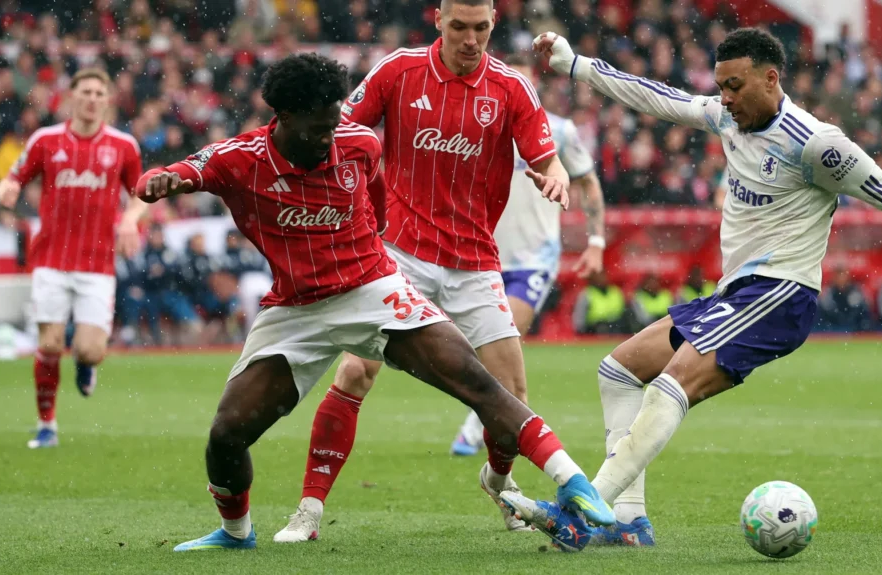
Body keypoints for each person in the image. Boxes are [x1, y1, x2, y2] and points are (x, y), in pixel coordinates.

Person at [499, 29, 882, 552]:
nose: (724, 98)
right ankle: (627, 519)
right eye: (721, 86)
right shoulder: (727, 117)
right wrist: (577, 65)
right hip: (734, 294)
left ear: (771, 79)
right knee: (618, 370)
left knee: (671, 384)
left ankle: (582, 513)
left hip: (780, 293)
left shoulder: (816, 142)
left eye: (735, 86)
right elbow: (658, 96)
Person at [134, 53, 612, 552]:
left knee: (475, 380)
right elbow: (175, 173)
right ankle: (236, 533)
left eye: (334, 123)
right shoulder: (240, 158)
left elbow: (379, 206)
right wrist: (159, 183)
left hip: (372, 289)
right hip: (295, 310)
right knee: (227, 434)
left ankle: (575, 483)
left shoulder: (358, 143)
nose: (328, 138)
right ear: (284, 117)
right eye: (318, 129)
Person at [274, 0, 580, 542]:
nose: (470, 39)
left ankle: (500, 482)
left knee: (510, 395)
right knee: (355, 372)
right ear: (438, 19)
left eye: (481, 28)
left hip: (475, 260)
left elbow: (545, 154)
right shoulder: (398, 70)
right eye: (459, 27)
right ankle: (309, 510)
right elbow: (340, 131)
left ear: (492, 25)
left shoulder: (511, 89)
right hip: (398, 254)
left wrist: (553, 173)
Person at [449, 52, 606, 457]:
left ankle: (474, 426)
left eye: (524, 83)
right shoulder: (477, 128)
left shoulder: (560, 131)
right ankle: (485, 415)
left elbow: (587, 185)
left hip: (534, 257)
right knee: (466, 347)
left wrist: (596, 241)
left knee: (506, 338)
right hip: (480, 253)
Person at [0, 68, 146, 449]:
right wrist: (9, 188)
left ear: (108, 100)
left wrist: (129, 220)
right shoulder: (46, 141)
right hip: (51, 260)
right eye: (86, 91)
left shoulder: (124, 145)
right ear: (72, 96)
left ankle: (84, 363)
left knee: (90, 349)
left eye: (100, 92)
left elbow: (140, 193)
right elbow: (15, 175)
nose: (93, 98)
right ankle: (47, 425)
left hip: (97, 264)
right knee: (48, 345)